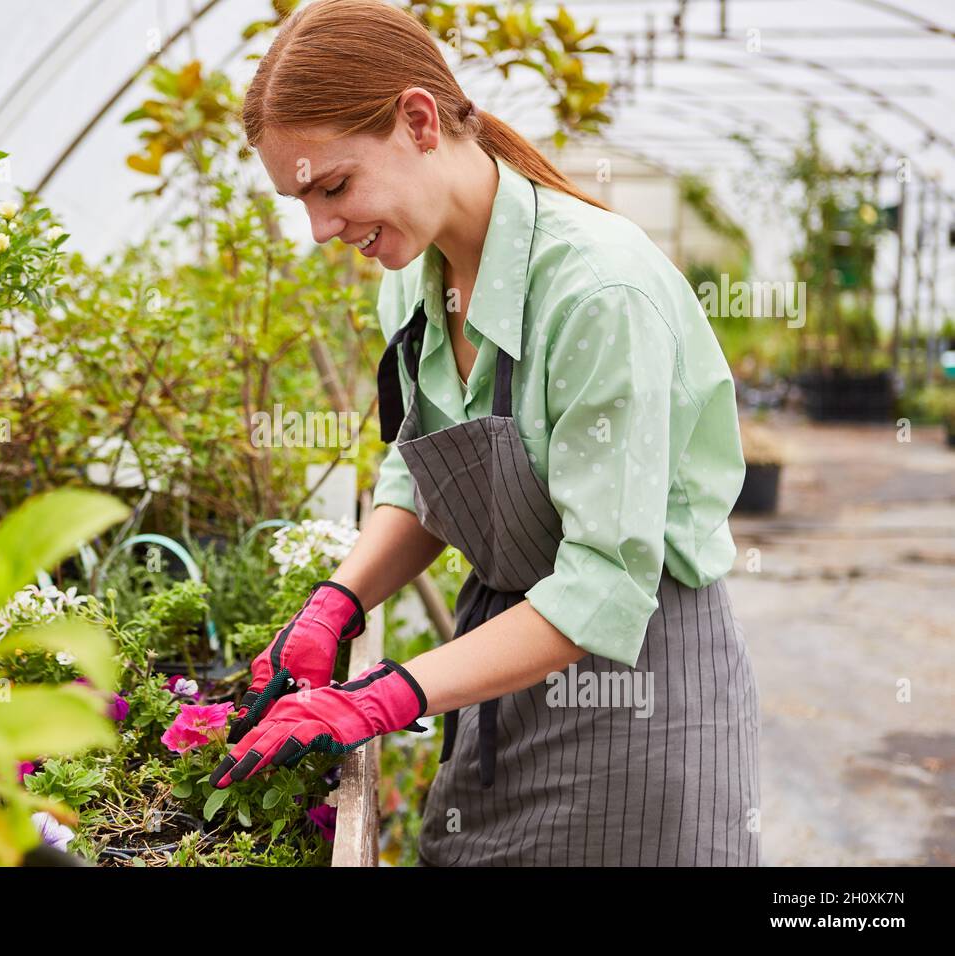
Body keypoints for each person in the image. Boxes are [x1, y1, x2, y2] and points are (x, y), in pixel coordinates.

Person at [209, 0, 761, 867]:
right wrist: (338, 603)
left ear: (419, 120)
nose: (320, 229)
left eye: (333, 187)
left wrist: (382, 696)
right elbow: (429, 476)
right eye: (301, 200)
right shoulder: (413, 276)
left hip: (638, 693)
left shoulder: (596, 296)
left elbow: (603, 585)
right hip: (499, 676)